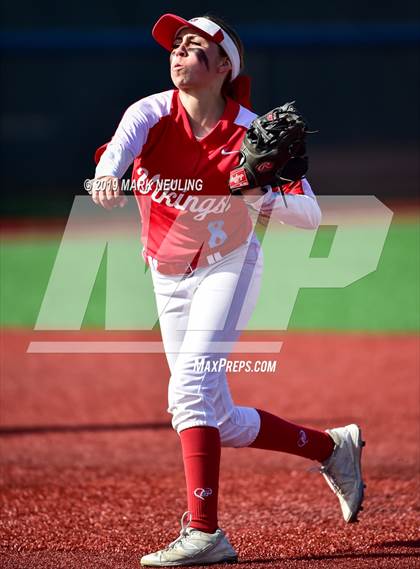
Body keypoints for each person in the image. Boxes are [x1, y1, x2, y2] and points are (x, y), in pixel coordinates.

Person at [91, 13, 365, 567]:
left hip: (229, 267)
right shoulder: (148, 112)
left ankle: (206, 533)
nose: (178, 54)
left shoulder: (252, 129)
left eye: (194, 48)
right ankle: (332, 447)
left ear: (222, 68)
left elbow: (310, 216)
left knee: (187, 392)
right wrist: (107, 174)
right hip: (167, 275)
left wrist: (259, 190)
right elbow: (119, 150)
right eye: (176, 46)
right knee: (214, 418)